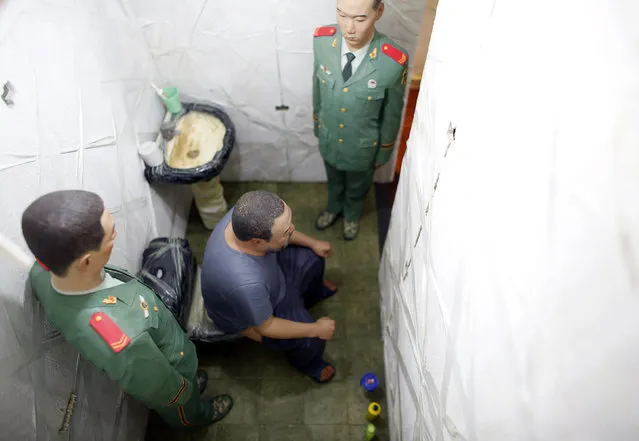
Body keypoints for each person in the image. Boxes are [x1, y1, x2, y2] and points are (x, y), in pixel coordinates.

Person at [21, 190, 233, 429]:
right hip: (171, 372)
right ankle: (198, 414)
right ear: (86, 262)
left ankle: (192, 382)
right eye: (110, 236)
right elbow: (155, 383)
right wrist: (181, 391)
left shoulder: (44, 272)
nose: (116, 235)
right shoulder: (122, 336)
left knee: (189, 380)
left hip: (165, 347)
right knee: (185, 406)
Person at [200, 190, 339, 383]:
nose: (292, 229)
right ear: (257, 241)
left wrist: (312, 243)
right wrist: (316, 329)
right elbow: (267, 326)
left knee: (314, 258)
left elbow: (284, 231)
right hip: (257, 316)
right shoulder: (245, 282)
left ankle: (311, 294)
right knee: (311, 341)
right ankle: (311, 365)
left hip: (272, 276)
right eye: (285, 232)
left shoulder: (245, 215)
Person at [312, 0, 409, 240]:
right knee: (333, 178)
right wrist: (317, 124)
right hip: (330, 136)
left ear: (379, 12)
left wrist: (384, 151)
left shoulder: (392, 61)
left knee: (358, 186)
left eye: (360, 18)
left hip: (363, 147)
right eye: (342, 15)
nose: (349, 28)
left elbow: (392, 112)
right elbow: (316, 86)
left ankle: (352, 215)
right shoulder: (322, 41)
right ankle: (333, 207)